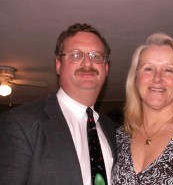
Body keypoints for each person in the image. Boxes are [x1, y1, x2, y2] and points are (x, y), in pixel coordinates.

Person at [0, 23, 116, 185]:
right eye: (75, 55)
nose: (87, 63)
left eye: (95, 56)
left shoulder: (110, 128)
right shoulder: (20, 123)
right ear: (58, 65)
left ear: (106, 68)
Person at [111, 33, 173, 184]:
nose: (157, 78)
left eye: (168, 70)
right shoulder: (117, 138)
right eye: (148, 69)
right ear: (135, 80)